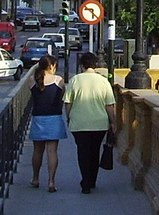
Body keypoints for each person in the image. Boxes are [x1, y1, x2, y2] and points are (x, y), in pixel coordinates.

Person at [63, 52, 116, 194]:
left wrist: (69, 117)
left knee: (83, 152)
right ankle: (92, 180)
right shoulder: (103, 81)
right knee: (94, 151)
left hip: (79, 123)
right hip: (99, 123)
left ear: (82, 65)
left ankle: (85, 181)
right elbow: (109, 105)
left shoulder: (75, 80)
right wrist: (113, 122)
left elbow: (68, 102)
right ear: (95, 65)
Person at [28, 55, 65, 192]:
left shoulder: (32, 80)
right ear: (51, 66)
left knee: (37, 150)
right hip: (54, 118)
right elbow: (61, 97)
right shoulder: (58, 80)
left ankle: (35, 178)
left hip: (38, 118)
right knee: (52, 150)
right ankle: (51, 181)